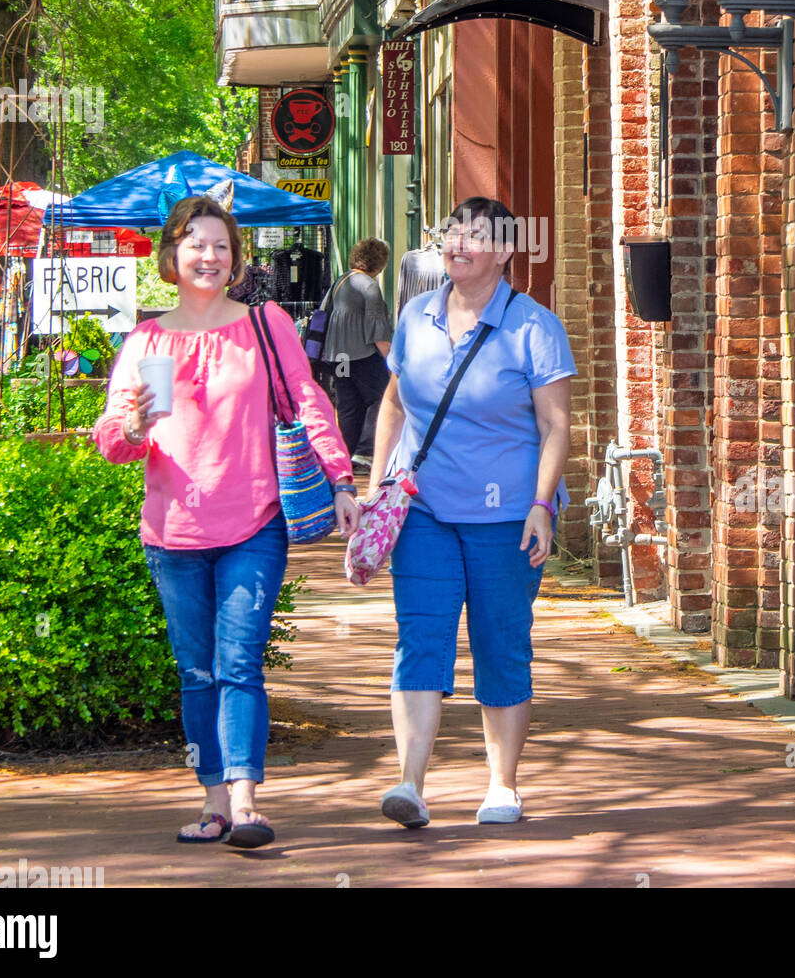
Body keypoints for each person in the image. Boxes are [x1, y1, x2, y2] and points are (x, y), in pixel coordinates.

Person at [92, 195, 360, 849]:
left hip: (254, 522)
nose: (208, 256)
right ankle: (210, 800)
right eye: (195, 244)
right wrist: (129, 426)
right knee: (197, 671)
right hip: (172, 532)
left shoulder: (266, 324)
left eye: (220, 245)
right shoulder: (147, 340)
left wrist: (341, 477)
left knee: (239, 663)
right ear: (172, 257)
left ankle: (244, 805)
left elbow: (308, 399)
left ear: (235, 257)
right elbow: (112, 439)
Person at [368, 197, 575, 829]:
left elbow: (555, 425)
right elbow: (395, 407)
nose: (458, 242)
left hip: (506, 518)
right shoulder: (415, 316)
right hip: (423, 511)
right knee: (419, 642)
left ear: (506, 252)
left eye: (476, 234)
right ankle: (410, 784)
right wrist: (378, 487)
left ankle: (503, 786)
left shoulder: (533, 326)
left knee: (500, 644)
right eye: (453, 230)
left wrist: (541, 505)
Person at [323, 237, 394, 457]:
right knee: (381, 397)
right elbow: (378, 331)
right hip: (361, 355)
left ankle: (346, 451)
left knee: (348, 403)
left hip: (339, 356)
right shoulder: (369, 285)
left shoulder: (341, 280)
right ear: (379, 262)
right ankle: (365, 451)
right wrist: (391, 361)